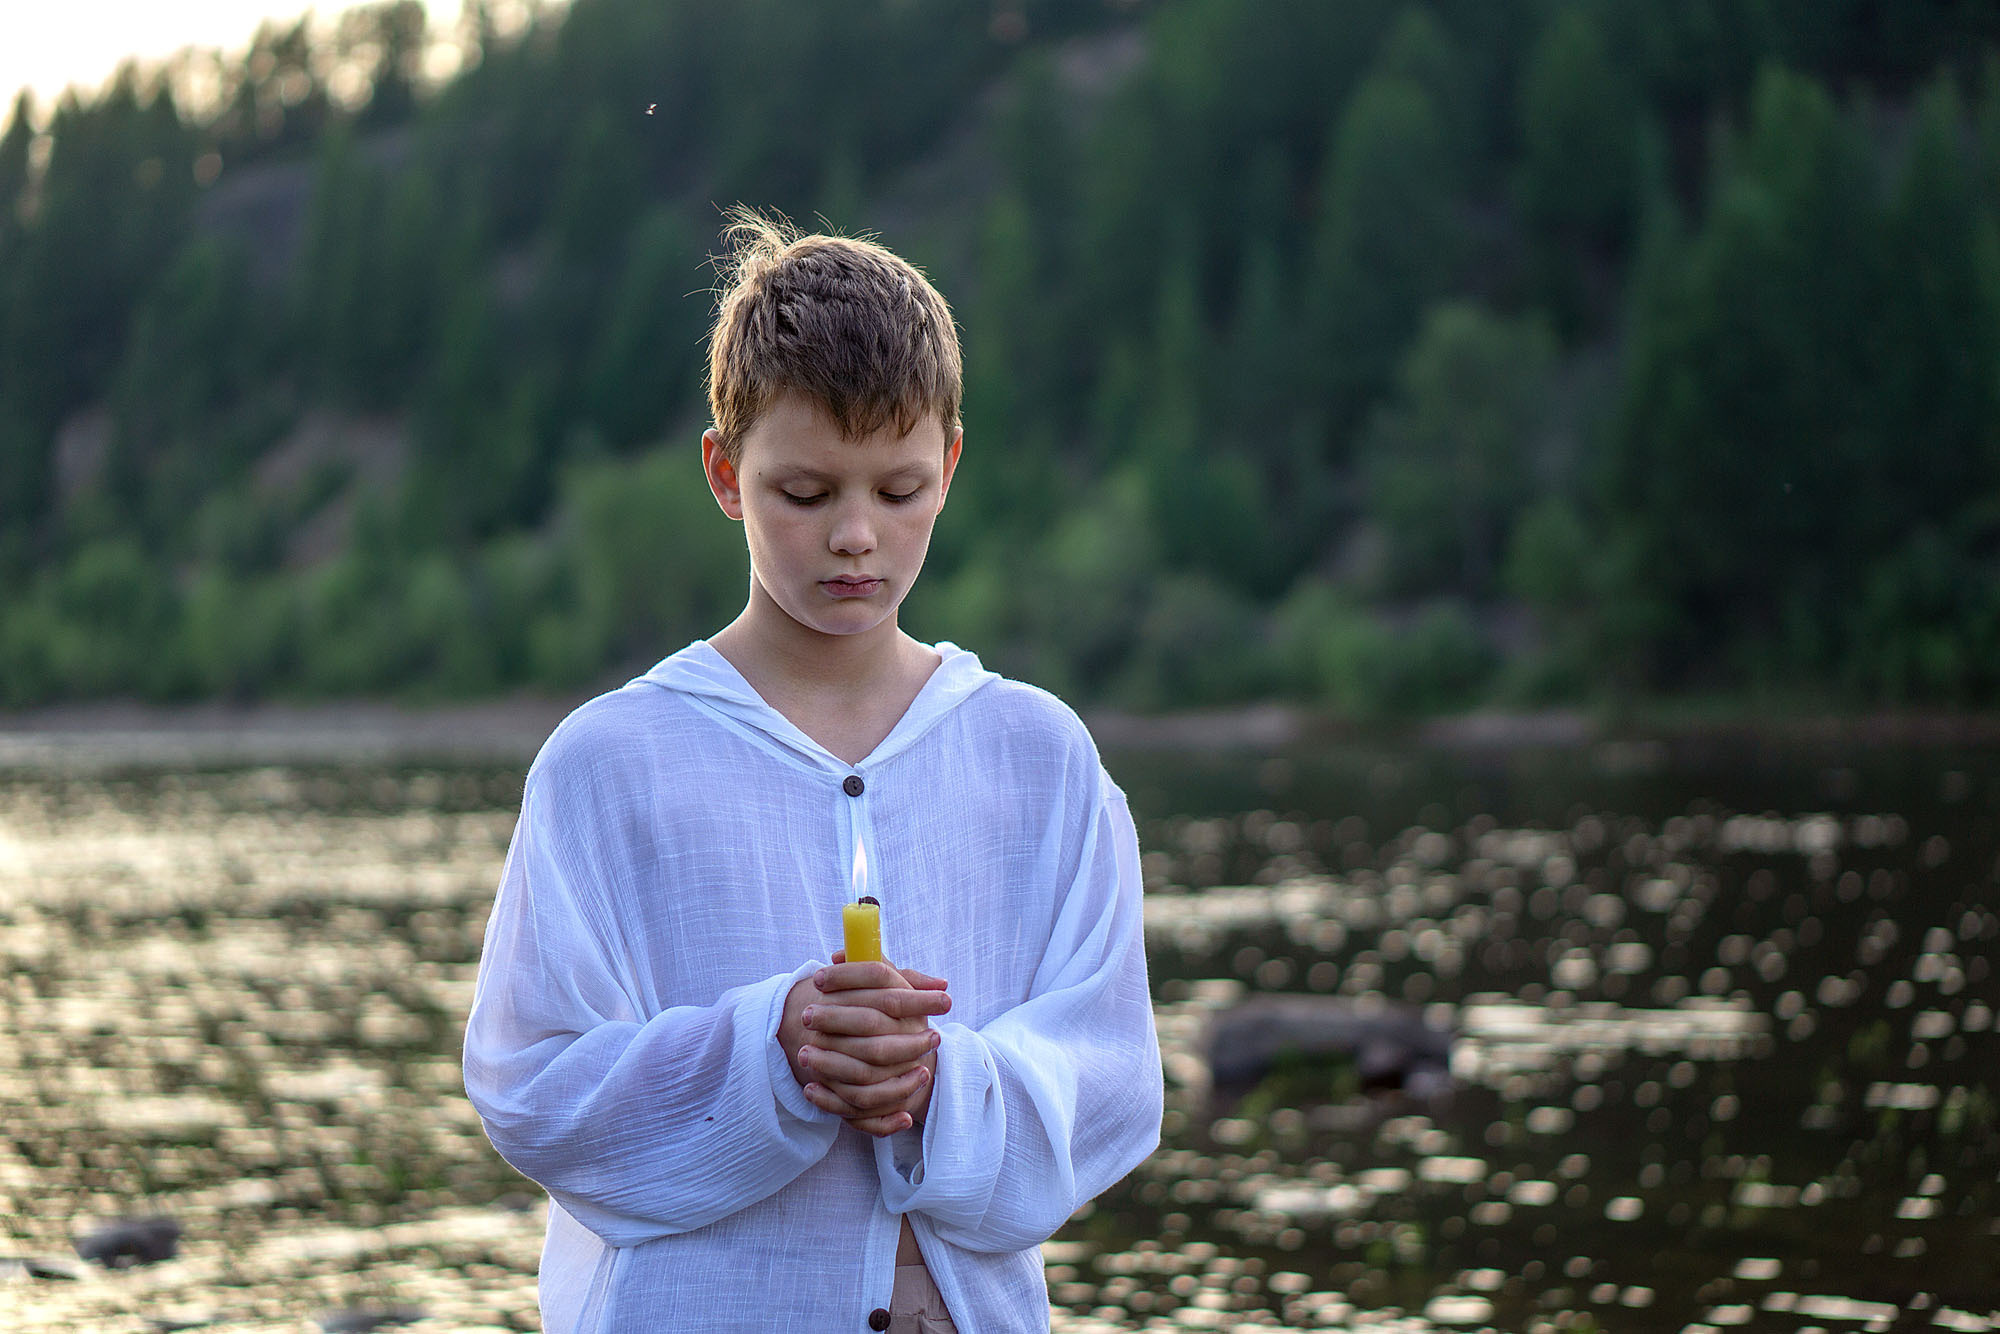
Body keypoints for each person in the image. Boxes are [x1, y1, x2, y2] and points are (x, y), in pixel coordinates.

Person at [462, 210, 1163, 1333]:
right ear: (724, 472)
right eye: (806, 492)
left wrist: (941, 1083)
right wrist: (769, 1048)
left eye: (899, 490)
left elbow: (1114, 1076)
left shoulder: (1039, 756)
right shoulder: (608, 763)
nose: (855, 535)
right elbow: (530, 1083)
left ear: (951, 465)